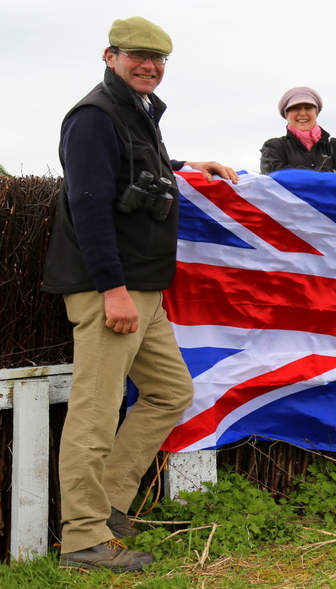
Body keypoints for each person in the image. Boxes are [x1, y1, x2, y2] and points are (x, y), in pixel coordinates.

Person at [42, 16, 239, 572]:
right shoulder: (92, 116)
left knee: (170, 392)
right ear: (110, 56)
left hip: (143, 288)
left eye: (158, 59)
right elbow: (88, 206)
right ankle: (83, 540)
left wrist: (187, 165)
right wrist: (113, 290)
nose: (149, 66)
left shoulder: (136, 111)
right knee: (95, 413)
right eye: (136, 56)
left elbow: (137, 169)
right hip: (113, 289)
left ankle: (106, 506)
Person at [259, 86, 336, 173]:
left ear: (316, 113)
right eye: (295, 108)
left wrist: (295, 173)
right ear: (286, 115)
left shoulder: (335, 146)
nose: (302, 113)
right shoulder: (274, 147)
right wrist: (328, 173)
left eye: (308, 108)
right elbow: (276, 177)